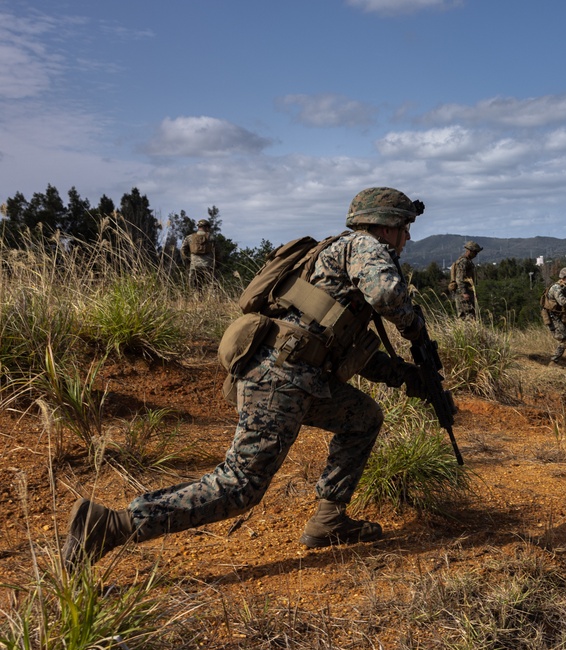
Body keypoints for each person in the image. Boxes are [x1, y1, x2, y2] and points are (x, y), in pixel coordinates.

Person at [62, 187, 432, 568]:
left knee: (364, 417)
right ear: (387, 227)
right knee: (240, 486)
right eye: (405, 229)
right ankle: (109, 525)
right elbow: (388, 295)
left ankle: (329, 519)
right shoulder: (365, 247)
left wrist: (405, 376)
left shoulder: (341, 260)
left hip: (298, 375)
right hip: (281, 376)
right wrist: (416, 329)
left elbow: (345, 348)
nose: (407, 239)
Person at [181, 219, 218, 290]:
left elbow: (182, 250)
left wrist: (187, 261)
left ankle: (196, 300)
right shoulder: (212, 237)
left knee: (194, 287)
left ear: (198, 227)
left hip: (194, 266)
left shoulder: (189, 237)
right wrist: (217, 264)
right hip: (208, 266)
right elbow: (218, 251)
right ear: (207, 227)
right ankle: (211, 300)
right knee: (211, 286)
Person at [450, 240, 482, 319]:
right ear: (470, 251)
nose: (476, 254)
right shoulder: (463, 262)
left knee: (467, 315)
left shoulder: (467, 261)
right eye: (475, 252)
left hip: (466, 292)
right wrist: (464, 293)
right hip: (463, 293)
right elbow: (460, 278)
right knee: (467, 316)